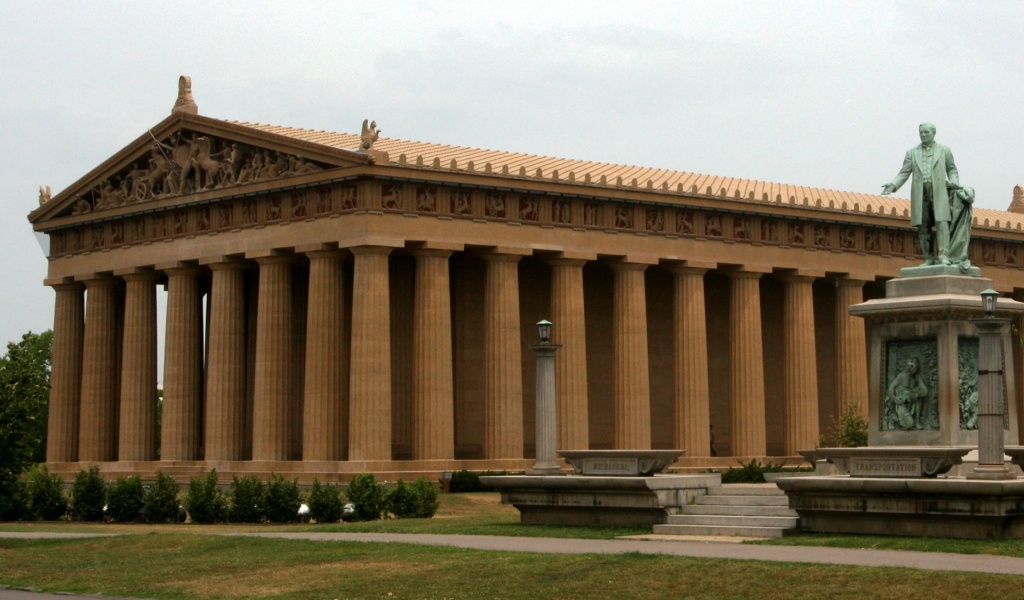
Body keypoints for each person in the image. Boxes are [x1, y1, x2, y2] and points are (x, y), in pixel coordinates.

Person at [881, 123, 959, 266]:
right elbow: (904, 172)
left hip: (939, 192)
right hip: (920, 193)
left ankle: (943, 256)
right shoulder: (912, 153)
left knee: (942, 223)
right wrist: (893, 185)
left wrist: (954, 181)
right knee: (923, 226)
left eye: (926, 132)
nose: (923, 135)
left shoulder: (944, 150)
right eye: (921, 132)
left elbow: (952, 170)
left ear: (934, 133)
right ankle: (928, 258)